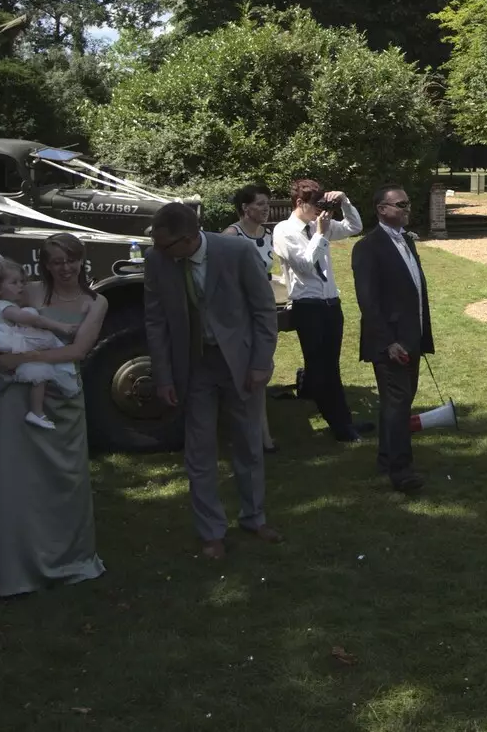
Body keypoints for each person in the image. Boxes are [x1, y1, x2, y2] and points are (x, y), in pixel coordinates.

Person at [144, 201, 280, 559]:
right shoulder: (158, 260)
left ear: (189, 239)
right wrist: (163, 376)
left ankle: (254, 517)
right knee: (199, 450)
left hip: (240, 362)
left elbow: (264, 309)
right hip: (194, 366)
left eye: (164, 245)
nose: (157, 251)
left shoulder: (235, 251)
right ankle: (211, 532)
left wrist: (260, 362)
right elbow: (155, 321)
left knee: (248, 444)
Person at [0, 232, 107, 597]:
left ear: (82, 260)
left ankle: (68, 560)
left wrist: (19, 360)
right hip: (19, 397)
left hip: (62, 400)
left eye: (71, 259)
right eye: (55, 261)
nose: (64, 268)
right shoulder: (29, 292)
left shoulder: (95, 302)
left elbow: (77, 350)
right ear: (45, 264)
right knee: (17, 483)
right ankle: (17, 568)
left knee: (65, 482)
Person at [351, 184, 434, 494]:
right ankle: (401, 471)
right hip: (390, 343)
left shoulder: (407, 243)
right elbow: (368, 302)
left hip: (411, 337)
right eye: (400, 204)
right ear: (381, 209)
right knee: (398, 404)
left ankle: (387, 458)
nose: (406, 209)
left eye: (408, 203)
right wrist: (388, 342)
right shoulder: (368, 248)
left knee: (398, 401)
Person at [272, 179, 364, 442]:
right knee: (320, 367)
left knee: (331, 366)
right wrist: (322, 235)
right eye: (317, 205)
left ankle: (343, 419)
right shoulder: (284, 231)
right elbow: (303, 265)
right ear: (299, 203)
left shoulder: (318, 224)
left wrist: (344, 202)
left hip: (330, 303)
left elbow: (354, 227)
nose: (321, 210)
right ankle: (339, 425)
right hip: (307, 306)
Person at [0, 258, 81, 429]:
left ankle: (35, 410)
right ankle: (36, 412)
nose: (21, 286)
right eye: (14, 283)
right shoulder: (3, 306)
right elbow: (29, 319)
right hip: (12, 345)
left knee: (36, 372)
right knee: (40, 373)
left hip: (11, 348)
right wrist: (59, 326)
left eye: (22, 281)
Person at [223, 183, 278, 453]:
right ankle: (249, 437)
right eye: (259, 204)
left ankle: (263, 436)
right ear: (245, 208)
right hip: (240, 313)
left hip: (263, 311)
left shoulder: (267, 236)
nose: (265, 209)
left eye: (267, 204)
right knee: (244, 371)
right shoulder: (231, 236)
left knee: (263, 367)